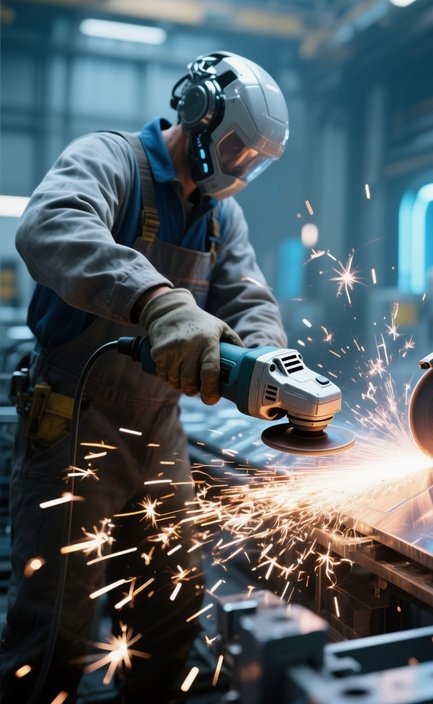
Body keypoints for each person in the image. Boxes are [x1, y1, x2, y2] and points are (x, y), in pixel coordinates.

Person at [1, 51, 290, 702]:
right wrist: (157, 301)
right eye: (239, 148)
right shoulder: (111, 161)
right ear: (200, 113)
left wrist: (271, 362)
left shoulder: (221, 214)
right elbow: (50, 225)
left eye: (256, 159)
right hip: (75, 421)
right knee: (57, 631)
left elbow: (247, 297)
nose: (244, 167)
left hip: (160, 429)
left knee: (168, 610)